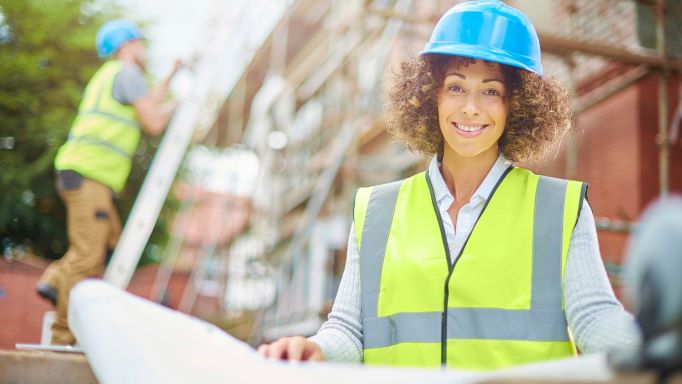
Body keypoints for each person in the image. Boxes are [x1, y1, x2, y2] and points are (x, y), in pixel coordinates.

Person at [258, 0, 641, 371]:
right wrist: (314, 348)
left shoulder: (559, 208)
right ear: (431, 95)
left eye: (491, 91)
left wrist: (655, 348)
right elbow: (349, 330)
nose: (471, 107)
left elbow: (595, 319)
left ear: (517, 105)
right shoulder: (376, 212)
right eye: (456, 87)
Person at [35, 19, 182, 345]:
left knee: (111, 235)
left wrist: (172, 76)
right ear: (126, 46)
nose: (145, 49)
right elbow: (155, 120)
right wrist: (181, 105)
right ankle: (62, 337)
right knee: (88, 257)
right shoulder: (128, 75)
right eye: (140, 42)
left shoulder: (116, 76)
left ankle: (54, 279)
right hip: (89, 178)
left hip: (83, 176)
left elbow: (147, 101)